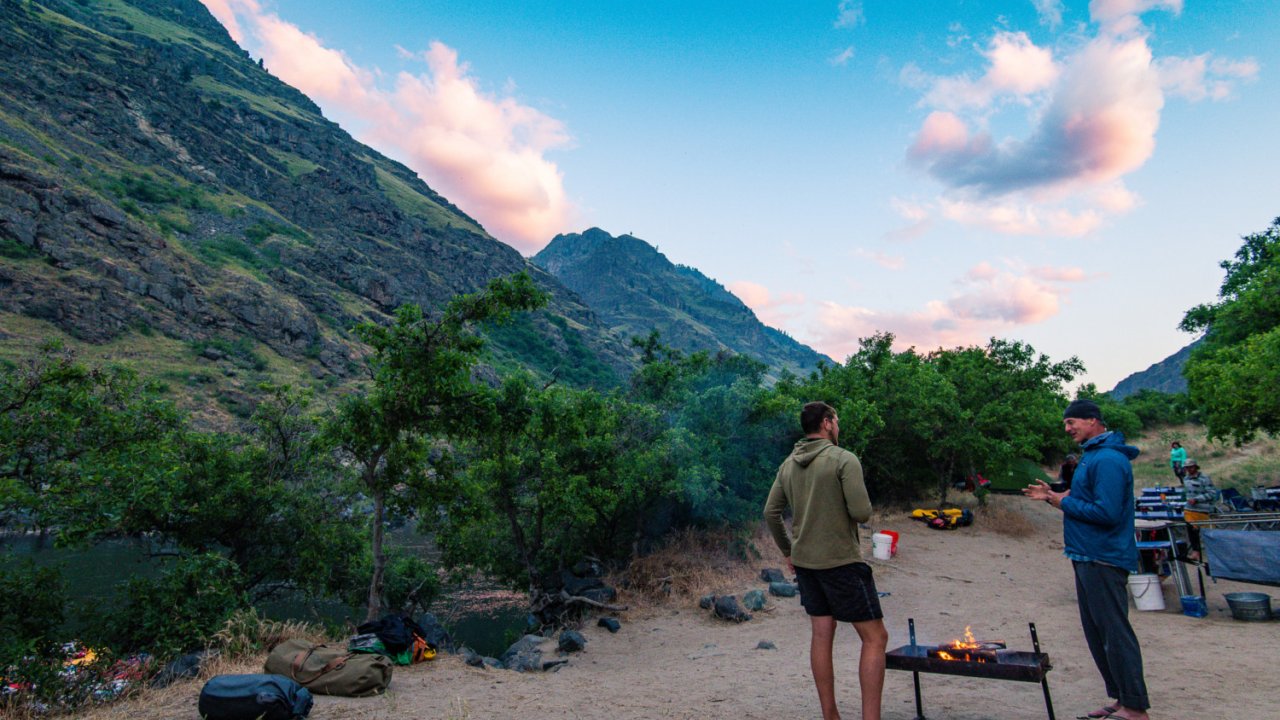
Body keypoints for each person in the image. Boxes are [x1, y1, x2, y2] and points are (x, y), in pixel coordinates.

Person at [1022, 399, 1152, 720]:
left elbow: (1106, 512)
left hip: (1103, 556)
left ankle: (1135, 709)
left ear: (1092, 420)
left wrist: (1059, 503)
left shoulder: (1107, 459)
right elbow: (1086, 498)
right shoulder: (1092, 456)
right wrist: (1057, 494)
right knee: (1098, 634)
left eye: (1071, 423)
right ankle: (1121, 700)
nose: (1067, 429)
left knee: (1114, 633)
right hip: (1085, 554)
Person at [764, 401, 887, 720]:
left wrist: (788, 551)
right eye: (838, 421)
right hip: (840, 562)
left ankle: (830, 716)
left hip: (806, 564)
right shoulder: (844, 459)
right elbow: (862, 512)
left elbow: (771, 512)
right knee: (875, 637)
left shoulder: (788, 464)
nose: (839, 426)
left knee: (822, 634)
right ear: (828, 423)